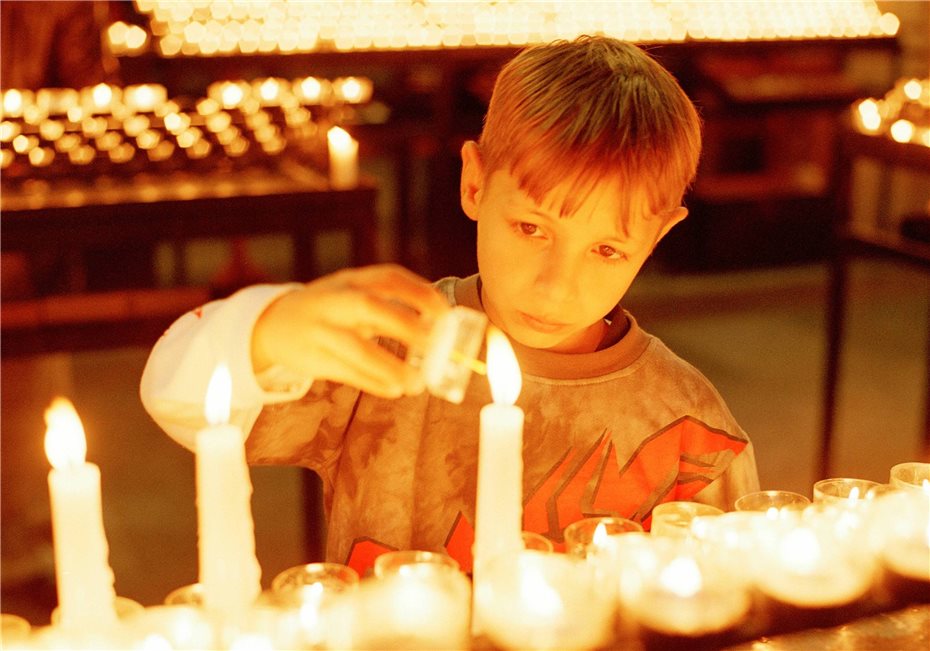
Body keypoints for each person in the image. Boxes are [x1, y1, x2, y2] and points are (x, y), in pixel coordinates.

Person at [141, 36, 759, 575]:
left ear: (656, 238)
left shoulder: (686, 424)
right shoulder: (389, 356)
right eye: (530, 229)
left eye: (606, 249)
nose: (554, 285)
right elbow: (183, 402)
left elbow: (734, 596)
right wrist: (268, 333)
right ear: (474, 183)